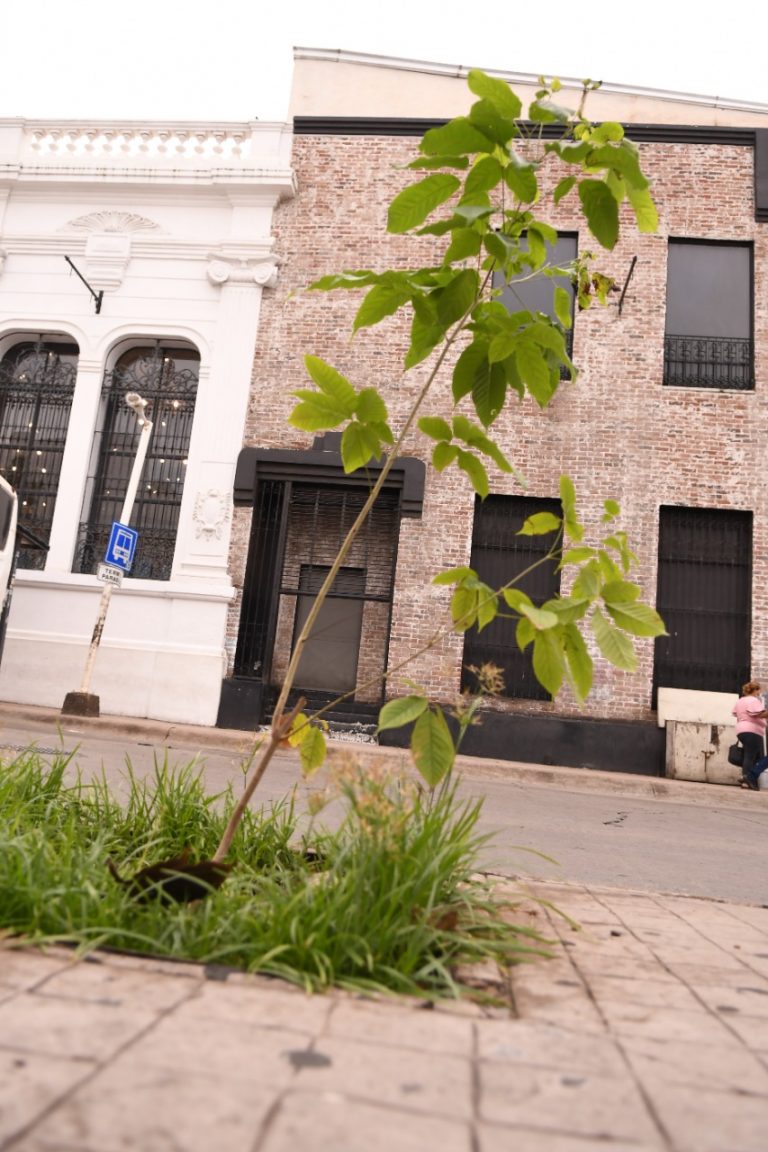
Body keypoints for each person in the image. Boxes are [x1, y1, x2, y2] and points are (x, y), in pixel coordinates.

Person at [732, 680, 767, 790]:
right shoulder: (753, 700)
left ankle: (747, 779)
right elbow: (760, 714)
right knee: (750, 756)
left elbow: (737, 714)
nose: (758, 693)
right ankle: (747, 780)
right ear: (755, 690)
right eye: (758, 691)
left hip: (741, 729)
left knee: (749, 755)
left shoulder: (741, 701)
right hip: (752, 730)